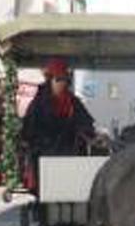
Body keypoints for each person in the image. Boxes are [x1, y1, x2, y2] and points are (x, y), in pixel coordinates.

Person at [20, 58, 95, 190]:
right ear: (50, 81)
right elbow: (28, 131)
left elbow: (86, 123)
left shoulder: (73, 102)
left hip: (70, 157)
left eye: (64, 80)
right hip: (45, 158)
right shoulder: (38, 104)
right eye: (58, 80)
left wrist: (89, 134)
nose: (62, 84)